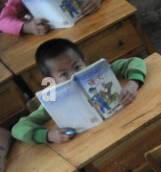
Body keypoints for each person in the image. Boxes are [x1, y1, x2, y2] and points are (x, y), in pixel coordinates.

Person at [12, 39, 148, 144]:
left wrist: (133, 83)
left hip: (131, 122)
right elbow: (19, 128)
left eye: (77, 67)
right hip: (95, 141)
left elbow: (135, 62)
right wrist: (48, 135)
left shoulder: (102, 72)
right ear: (52, 79)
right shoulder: (53, 101)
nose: (74, 76)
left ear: (85, 61)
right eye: (63, 74)